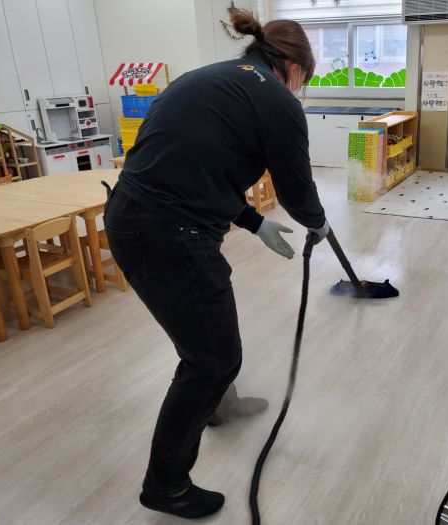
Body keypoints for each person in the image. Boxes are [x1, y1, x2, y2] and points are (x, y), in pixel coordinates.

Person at [104, 7, 329, 520]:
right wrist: (318, 222)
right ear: (295, 68)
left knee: (208, 341)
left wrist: (252, 220)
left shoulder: (211, 77)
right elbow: (297, 190)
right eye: (305, 81)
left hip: (132, 216)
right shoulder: (277, 100)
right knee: (211, 360)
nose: (301, 90)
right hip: (168, 232)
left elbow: (196, 167)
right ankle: (166, 485)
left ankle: (221, 408)